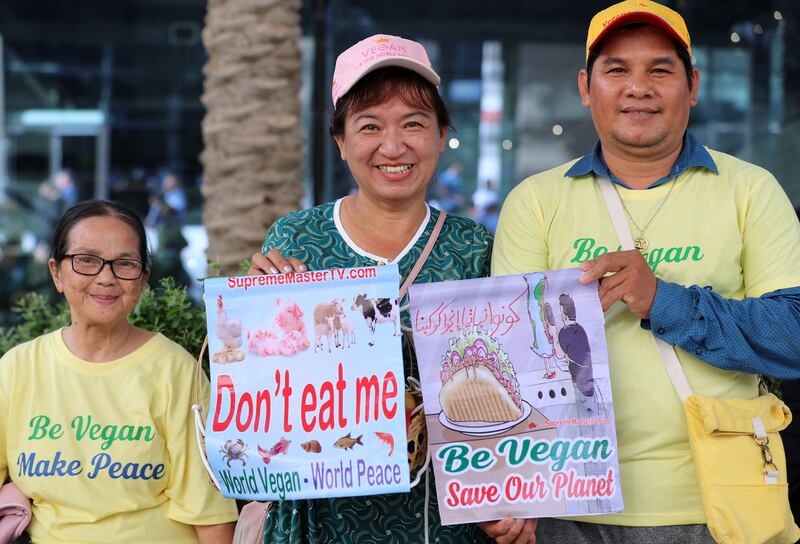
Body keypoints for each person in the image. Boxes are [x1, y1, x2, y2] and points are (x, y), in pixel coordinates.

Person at [492, 1, 800, 542]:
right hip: (570, 507)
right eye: (617, 70)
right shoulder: (535, 202)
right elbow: (511, 363)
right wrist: (506, 490)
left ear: (693, 85)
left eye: (660, 69)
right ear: (587, 88)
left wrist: (663, 301)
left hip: (717, 505)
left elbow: (792, 336)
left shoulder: (751, 191)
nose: (639, 87)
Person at [248, 34, 534, 544]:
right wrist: (261, 316)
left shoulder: (472, 246)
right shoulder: (297, 239)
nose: (393, 146)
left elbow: (508, 377)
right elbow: (271, 392)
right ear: (340, 140)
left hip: (443, 520)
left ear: (442, 134)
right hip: (322, 519)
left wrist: (514, 498)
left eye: (414, 124)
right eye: (370, 126)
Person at [0, 200, 238, 543]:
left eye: (125, 264)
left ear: (143, 280)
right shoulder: (17, 369)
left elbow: (209, 513)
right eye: (86, 261)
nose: (106, 277)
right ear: (56, 273)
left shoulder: (175, 371)